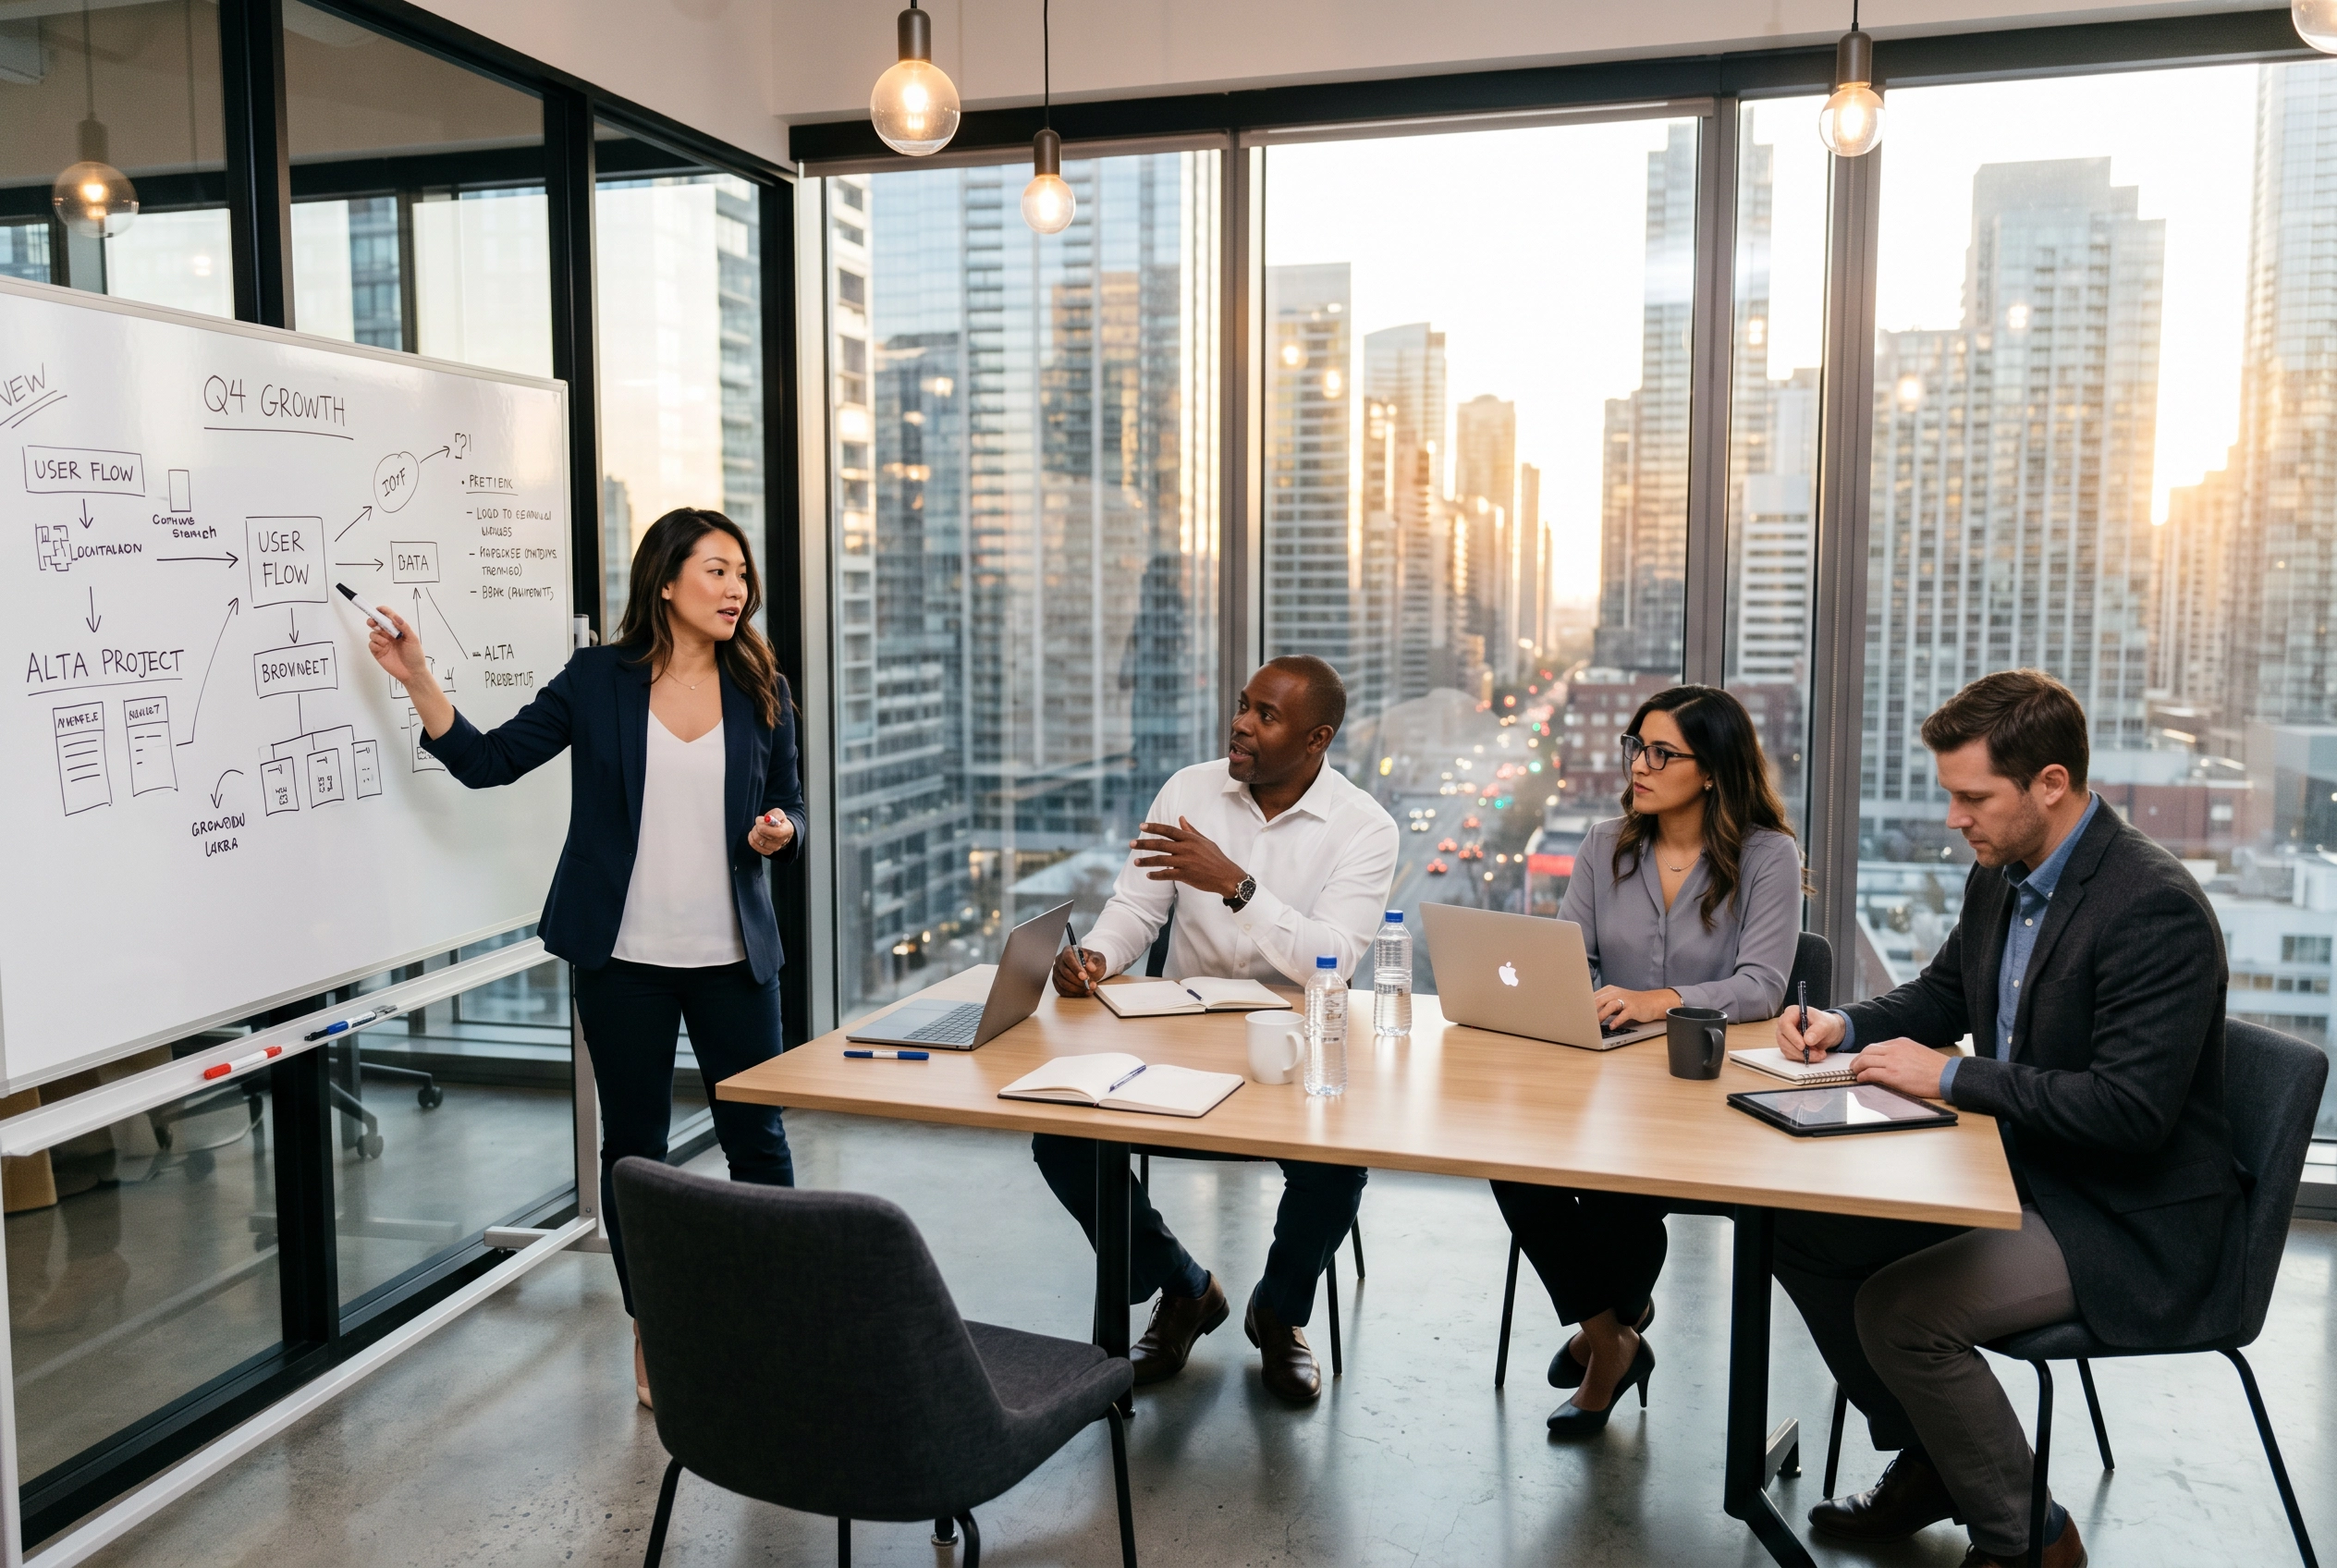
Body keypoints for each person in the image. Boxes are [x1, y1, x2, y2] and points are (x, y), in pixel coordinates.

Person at [1772, 669, 2243, 1568]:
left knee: (1901, 1313)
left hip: (2118, 1216)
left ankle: (2029, 1540)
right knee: (1800, 1227)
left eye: (1972, 797)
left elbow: (2129, 1113)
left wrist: (1952, 1076)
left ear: (2050, 784)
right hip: (2017, 1173)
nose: (1955, 818)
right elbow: (1946, 991)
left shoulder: (2151, 906)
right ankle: (1937, 1463)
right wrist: (1845, 1025)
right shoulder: (2003, 870)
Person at [362, 508, 806, 1412]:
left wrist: (778, 831)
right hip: (623, 960)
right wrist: (417, 679)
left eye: (741, 574)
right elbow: (489, 762)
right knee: (636, 1152)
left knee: (757, 1142)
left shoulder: (762, 685)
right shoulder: (599, 679)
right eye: (717, 571)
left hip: (733, 958)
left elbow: (790, 806)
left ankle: (775, 1315)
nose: (736, 589)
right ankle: (654, 1328)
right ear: (667, 582)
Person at [1039, 655, 1397, 1403]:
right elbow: (1137, 908)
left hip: (1293, 1048)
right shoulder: (1188, 791)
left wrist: (1237, 885)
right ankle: (1186, 1288)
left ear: (1317, 739)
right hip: (1179, 1036)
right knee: (1062, 1136)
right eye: (1243, 705)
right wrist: (1099, 955)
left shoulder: (1365, 827)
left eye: (1266, 715)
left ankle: (1279, 1312)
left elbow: (1329, 960)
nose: (1240, 724)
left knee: (1337, 1167)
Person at [1490, 684, 1804, 1435]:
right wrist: (1570, 993)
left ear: (1713, 770)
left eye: (1663, 753)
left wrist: (1658, 999)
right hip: (1608, 1075)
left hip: (1708, 1086)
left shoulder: (1768, 856)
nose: (1640, 765)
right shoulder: (1605, 844)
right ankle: (1614, 1335)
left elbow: (1762, 986)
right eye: (1637, 747)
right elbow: (1572, 957)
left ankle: (1603, 1351)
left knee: (1617, 1196)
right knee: (1510, 1157)